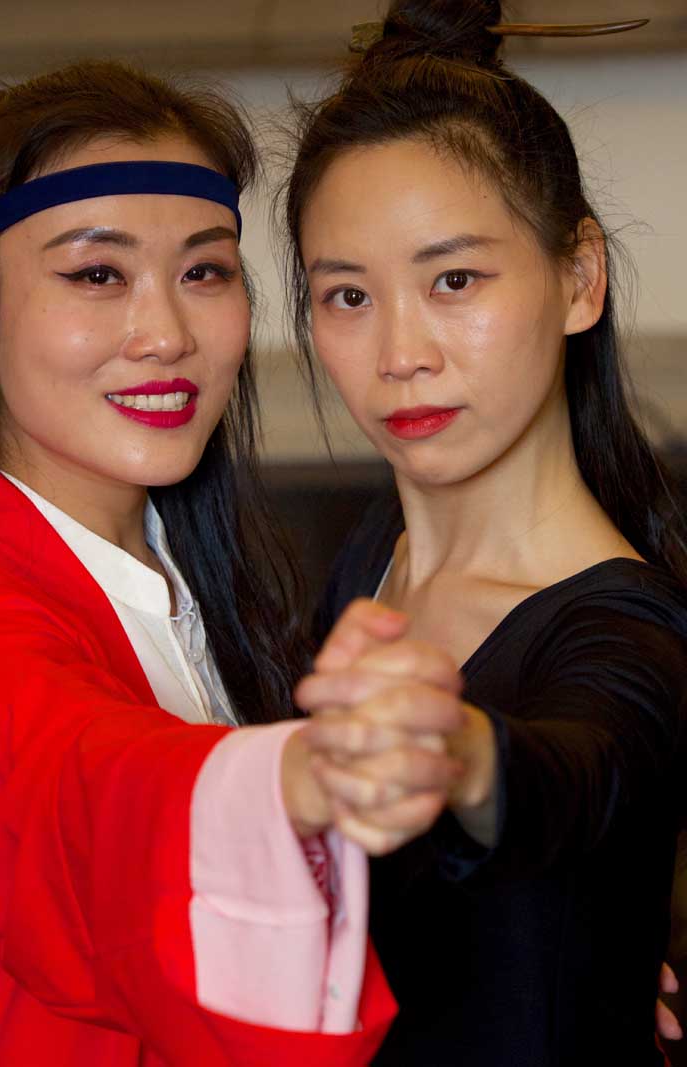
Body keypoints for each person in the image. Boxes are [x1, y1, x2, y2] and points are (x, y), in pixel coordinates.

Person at [0, 60, 467, 1066]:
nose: (165, 334)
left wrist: (534, 967)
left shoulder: (187, 576)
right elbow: (85, 789)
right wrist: (299, 773)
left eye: (203, 271)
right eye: (95, 274)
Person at [282, 2, 687, 1064]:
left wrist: (458, 752)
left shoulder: (626, 627)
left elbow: (572, 768)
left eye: (453, 279)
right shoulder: (379, 552)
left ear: (577, 278)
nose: (398, 350)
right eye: (347, 294)